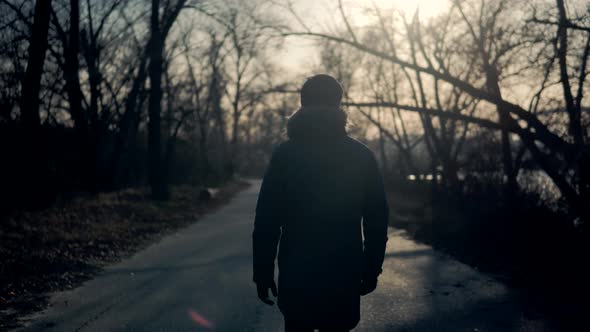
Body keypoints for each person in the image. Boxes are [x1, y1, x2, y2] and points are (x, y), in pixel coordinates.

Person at [252, 74, 389, 332]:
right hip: (343, 270)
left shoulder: (285, 155)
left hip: (297, 271)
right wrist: (371, 268)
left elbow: (267, 220)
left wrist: (262, 271)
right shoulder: (360, 155)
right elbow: (377, 218)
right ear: (338, 105)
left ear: (302, 104)